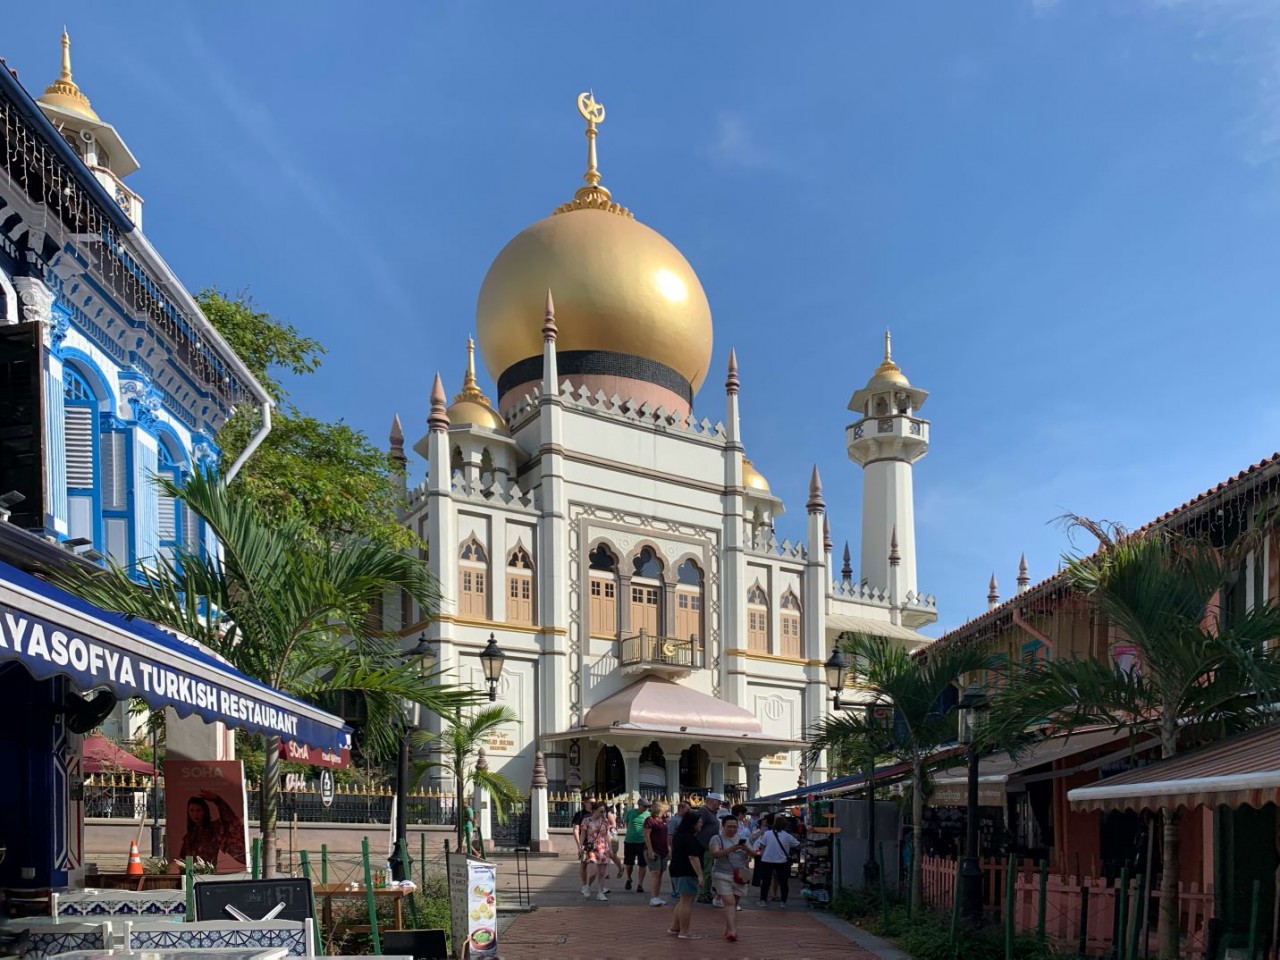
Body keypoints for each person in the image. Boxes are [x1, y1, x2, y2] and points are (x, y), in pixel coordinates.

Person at [175, 791, 245, 870]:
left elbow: (229, 819)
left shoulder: (213, 828)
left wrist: (218, 800)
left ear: (204, 811)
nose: (195, 814)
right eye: (192, 810)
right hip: (190, 876)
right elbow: (182, 859)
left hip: (207, 874)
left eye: (198, 810)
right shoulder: (189, 835)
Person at [708, 816, 752, 942]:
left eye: (735, 827)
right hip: (722, 874)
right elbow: (715, 854)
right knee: (729, 902)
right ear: (723, 826)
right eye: (729, 826)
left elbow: (754, 853)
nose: (732, 829)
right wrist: (732, 849)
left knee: (734, 903)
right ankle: (733, 931)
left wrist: (746, 849)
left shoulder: (743, 839)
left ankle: (728, 929)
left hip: (740, 875)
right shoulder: (716, 839)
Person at [666, 810, 705, 940]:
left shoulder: (679, 835)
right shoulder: (690, 838)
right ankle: (685, 930)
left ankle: (675, 927)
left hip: (676, 870)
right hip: (686, 871)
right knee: (687, 901)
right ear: (693, 823)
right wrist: (700, 875)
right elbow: (693, 857)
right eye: (699, 822)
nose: (701, 824)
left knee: (682, 900)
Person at [757, 814, 800, 908]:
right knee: (783, 882)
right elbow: (797, 845)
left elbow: (761, 846)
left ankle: (763, 900)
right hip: (782, 862)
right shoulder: (788, 836)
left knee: (765, 881)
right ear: (785, 825)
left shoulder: (767, 834)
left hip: (767, 860)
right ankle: (783, 902)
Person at [582, 802, 615, 901]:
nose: (603, 813)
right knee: (593, 872)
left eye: (604, 811)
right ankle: (588, 886)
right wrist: (580, 846)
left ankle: (600, 893)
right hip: (592, 847)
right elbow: (583, 834)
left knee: (602, 872)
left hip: (603, 848)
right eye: (601, 811)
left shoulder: (605, 821)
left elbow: (607, 836)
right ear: (594, 811)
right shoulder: (586, 821)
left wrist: (611, 848)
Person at [696, 793, 723, 903]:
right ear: (713, 801)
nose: (720, 804)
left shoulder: (712, 813)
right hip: (704, 846)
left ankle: (706, 892)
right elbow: (698, 825)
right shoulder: (704, 811)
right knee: (706, 871)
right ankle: (703, 894)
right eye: (719, 802)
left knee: (709, 871)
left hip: (709, 846)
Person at [644, 801, 672, 906]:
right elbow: (647, 836)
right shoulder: (650, 820)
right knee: (655, 873)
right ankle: (653, 897)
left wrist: (669, 849)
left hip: (663, 849)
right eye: (666, 810)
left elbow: (666, 836)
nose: (667, 812)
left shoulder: (664, 820)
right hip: (653, 849)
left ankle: (657, 896)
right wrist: (650, 850)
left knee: (660, 873)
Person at [623, 798, 651, 892]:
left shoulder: (648, 815)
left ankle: (640, 884)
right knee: (629, 863)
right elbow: (626, 823)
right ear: (639, 805)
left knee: (642, 864)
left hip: (642, 842)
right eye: (645, 806)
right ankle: (628, 878)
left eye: (647, 806)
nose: (646, 808)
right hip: (630, 841)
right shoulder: (630, 812)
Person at [572, 796, 594, 896]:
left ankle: (594, 884)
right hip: (584, 843)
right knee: (584, 864)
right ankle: (584, 885)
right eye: (591, 802)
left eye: (594, 802)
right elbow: (576, 830)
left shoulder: (597, 813)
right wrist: (579, 845)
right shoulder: (579, 814)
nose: (593, 804)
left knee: (596, 866)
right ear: (585, 803)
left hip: (596, 843)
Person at [668, 800, 690, 897]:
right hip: (676, 849)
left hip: (685, 849)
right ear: (681, 808)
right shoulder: (674, 821)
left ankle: (682, 888)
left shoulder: (687, 820)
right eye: (687, 809)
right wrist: (672, 848)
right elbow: (670, 836)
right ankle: (676, 890)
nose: (689, 811)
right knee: (676, 869)